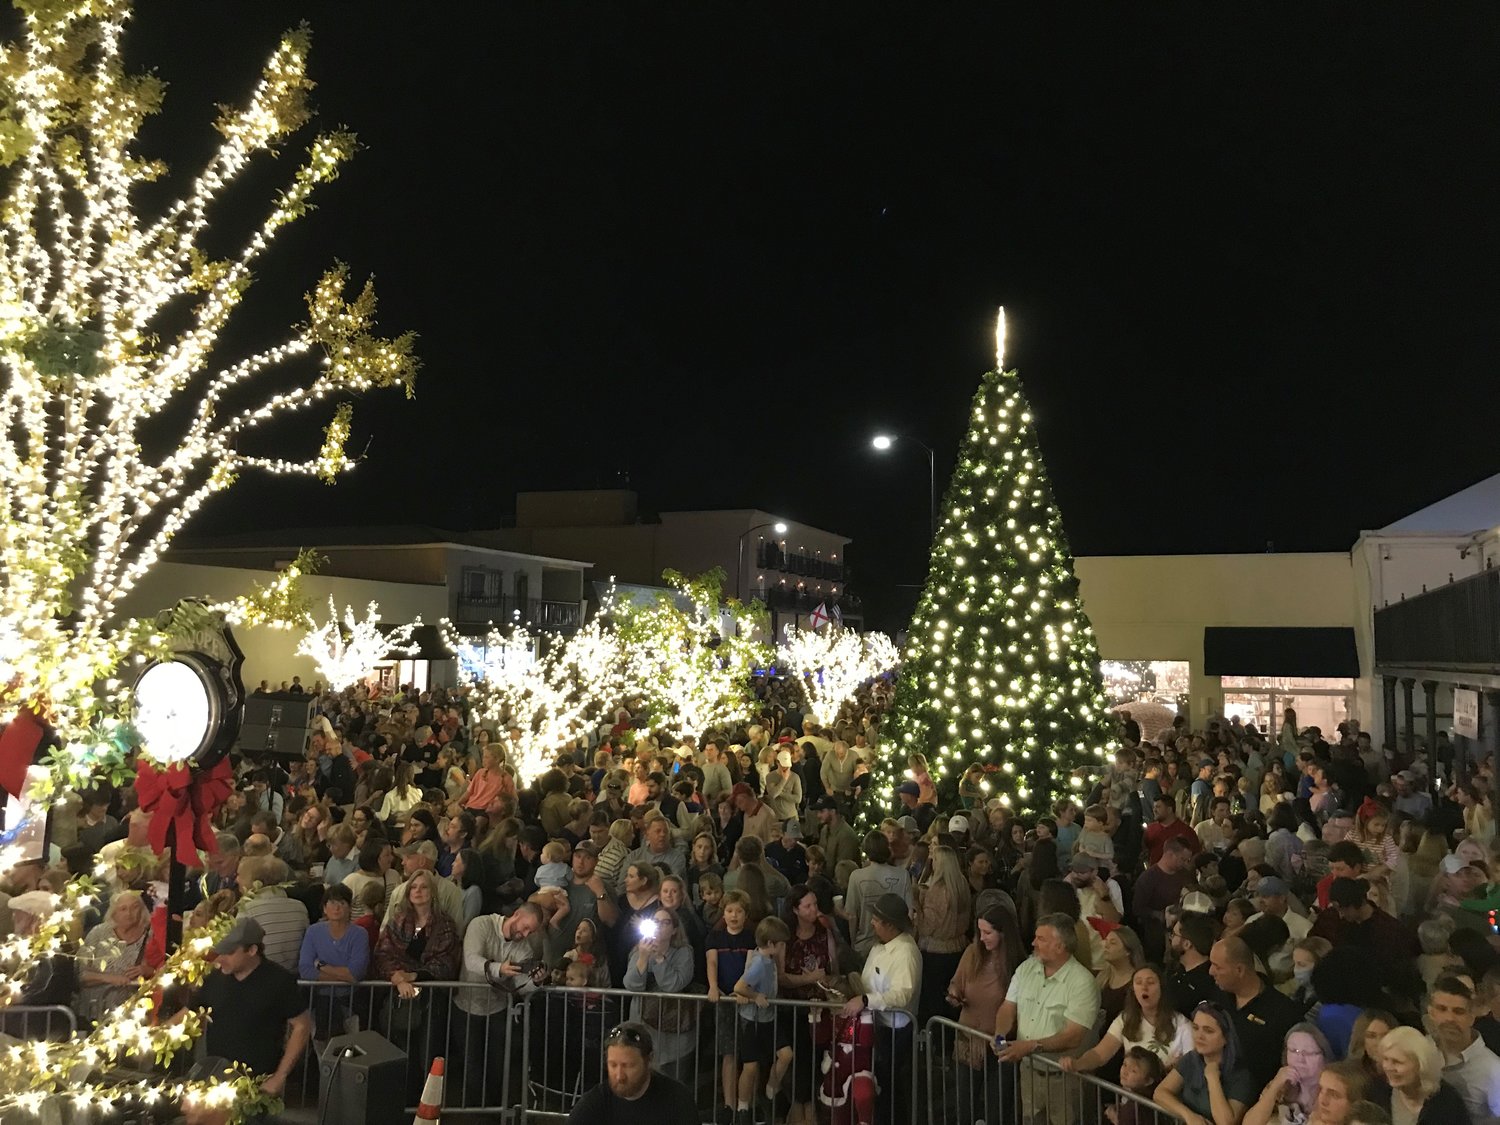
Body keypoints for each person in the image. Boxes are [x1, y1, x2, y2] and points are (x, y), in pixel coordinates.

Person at [993, 911, 1101, 1125]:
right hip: (1029, 1073)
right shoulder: (1026, 968)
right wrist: (999, 1035)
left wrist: (1031, 1046)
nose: (1033, 943)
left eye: (1041, 939)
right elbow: (1007, 1007)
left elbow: (1073, 1036)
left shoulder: (1082, 982)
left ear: (1060, 946)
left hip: (1065, 1079)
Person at [194, 916, 313, 1099]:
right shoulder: (214, 979)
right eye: (219, 951)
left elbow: (302, 1025)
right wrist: (157, 1034)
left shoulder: (278, 981)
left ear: (252, 950)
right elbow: (190, 1012)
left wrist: (279, 1076)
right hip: (215, 1080)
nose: (221, 958)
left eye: (229, 952)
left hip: (257, 1086)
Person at [840, 893, 921, 1125]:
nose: (872, 923)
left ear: (890, 925)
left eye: (876, 919)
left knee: (889, 1085)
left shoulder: (905, 953)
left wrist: (866, 1000)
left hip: (896, 1031)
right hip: (878, 1025)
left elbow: (902, 993)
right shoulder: (880, 947)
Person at [945, 904, 1014, 1125]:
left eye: (988, 933)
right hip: (968, 1037)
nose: (982, 938)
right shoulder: (972, 953)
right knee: (964, 1102)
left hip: (1000, 1044)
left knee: (997, 1106)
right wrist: (954, 994)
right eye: (980, 932)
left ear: (1003, 933)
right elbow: (956, 983)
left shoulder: (1015, 964)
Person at [1210, 934, 1304, 1091]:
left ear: (1239, 970)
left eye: (1217, 966)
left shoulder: (1283, 1012)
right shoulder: (1218, 997)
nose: (1211, 971)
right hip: (1213, 1088)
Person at [1062, 963, 1191, 1075]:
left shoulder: (1182, 1025)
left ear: (1162, 988)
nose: (1144, 987)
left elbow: (1193, 1066)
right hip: (1131, 1099)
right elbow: (1100, 1054)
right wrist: (1078, 1064)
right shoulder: (1125, 1019)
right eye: (1138, 982)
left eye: (1150, 982)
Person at [566, 1021, 699, 1124]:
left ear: (649, 1059)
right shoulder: (594, 1103)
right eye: (613, 1065)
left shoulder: (677, 1100)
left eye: (628, 1065)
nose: (619, 1075)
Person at [1153, 1001, 1257, 1125]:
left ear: (1226, 1038)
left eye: (1208, 1031)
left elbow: (1225, 1122)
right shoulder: (1191, 1059)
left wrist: (1213, 1078)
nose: (1199, 1036)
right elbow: (1160, 1093)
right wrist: (1189, 1115)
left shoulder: (1242, 1076)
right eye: (1196, 1028)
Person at [1425, 974, 1500, 1125]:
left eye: (1458, 1011)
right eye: (1442, 1009)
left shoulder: (1493, 1070)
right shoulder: (1420, 1050)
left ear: (1472, 1017)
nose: (1449, 1018)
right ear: (1431, 1013)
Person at [299, 883, 370, 1036]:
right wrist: (343, 974)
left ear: (349, 907)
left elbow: (355, 973)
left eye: (342, 903)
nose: (337, 907)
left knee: (351, 1048)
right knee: (321, 1050)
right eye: (332, 903)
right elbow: (305, 969)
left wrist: (321, 965)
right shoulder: (313, 932)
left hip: (351, 1002)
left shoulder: (360, 934)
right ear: (324, 908)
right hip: (318, 1002)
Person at [75, 889, 152, 1025]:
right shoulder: (98, 933)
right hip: (94, 1011)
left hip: (132, 1014)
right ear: (114, 913)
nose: (129, 914)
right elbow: (81, 974)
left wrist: (147, 970)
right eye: (123, 909)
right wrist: (110, 978)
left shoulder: (151, 935)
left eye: (134, 908)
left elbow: (162, 971)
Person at [1375, 1026, 1472, 1125]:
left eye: (1397, 1062)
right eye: (1385, 1059)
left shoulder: (1448, 1101)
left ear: (1420, 1066)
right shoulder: (1377, 1092)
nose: (1388, 1067)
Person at [1243, 1023, 1335, 1125]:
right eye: (1294, 1051)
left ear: (1324, 1057)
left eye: (1308, 1052)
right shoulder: (1280, 1085)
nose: (1300, 1059)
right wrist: (1274, 1087)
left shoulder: (1332, 1090)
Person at [844, 831, 913, 959]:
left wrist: (854, 942)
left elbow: (852, 915)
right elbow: (909, 913)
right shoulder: (903, 875)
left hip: (865, 943)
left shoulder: (856, 876)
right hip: (896, 943)